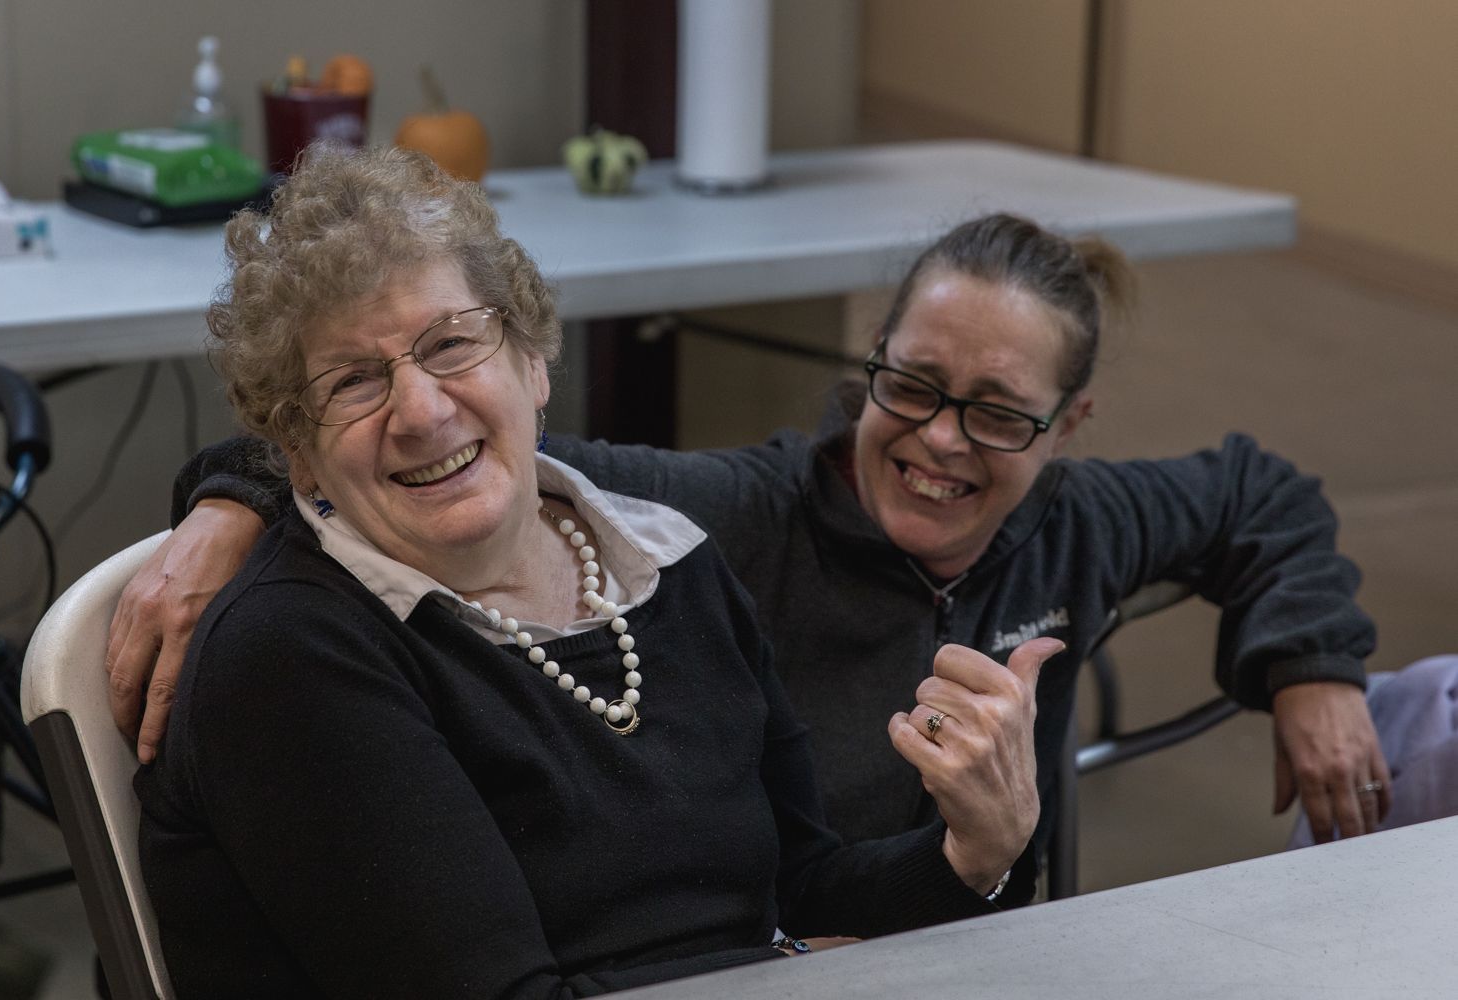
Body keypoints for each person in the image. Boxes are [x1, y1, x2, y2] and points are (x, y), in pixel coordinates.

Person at [112, 205, 1388, 866]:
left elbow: (1261, 495)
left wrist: (1313, 669)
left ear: (1069, 427)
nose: (941, 441)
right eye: (911, 386)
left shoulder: (1080, 522)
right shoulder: (724, 514)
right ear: (871, 359)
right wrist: (236, 504)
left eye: (999, 414)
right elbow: (454, 448)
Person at [133, 144, 1049, 999]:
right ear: (296, 453)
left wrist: (976, 854)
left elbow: (799, 887)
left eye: (451, 344)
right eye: (353, 382)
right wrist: (789, 968)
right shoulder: (292, 656)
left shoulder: (667, 562)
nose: (420, 410)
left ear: (533, 364)